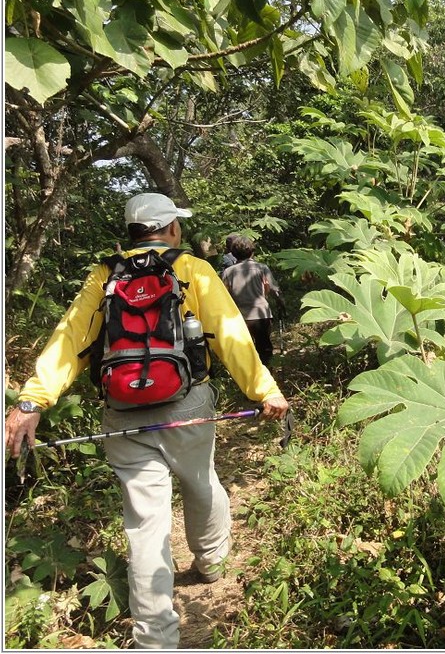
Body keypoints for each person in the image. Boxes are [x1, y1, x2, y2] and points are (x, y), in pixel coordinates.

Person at [4, 192, 290, 649]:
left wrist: (31, 402)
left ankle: (156, 638)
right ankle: (212, 561)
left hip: (121, 412)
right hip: (188, 404)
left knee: (145, 521)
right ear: (172, 228)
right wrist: (264, 390)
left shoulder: (104, 276)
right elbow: (228, 333)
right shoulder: (193, 268)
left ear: (132, 231)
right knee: (201, 483)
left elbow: (71, 340)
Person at [220, 236, 284, 366]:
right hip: (261, 315)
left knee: (245, 351)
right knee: (264, 349)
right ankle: (267, 374)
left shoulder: (228, 272)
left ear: (233, 253)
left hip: (240, 317)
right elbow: (274, 289)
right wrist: (281, 303)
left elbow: (223, 295)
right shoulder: (261, 268)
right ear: (252, 251)